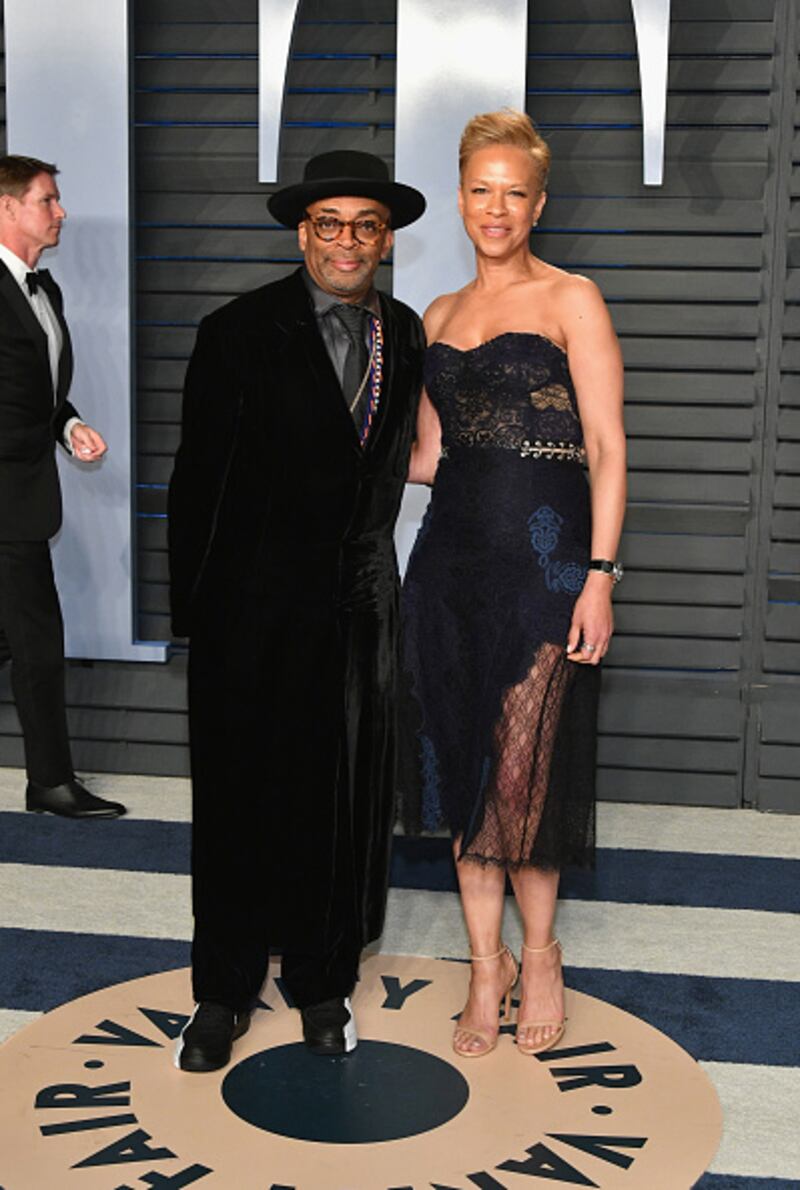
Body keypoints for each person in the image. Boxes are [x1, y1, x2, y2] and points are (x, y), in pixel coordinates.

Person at [168, 151, 426, 1072]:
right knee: (238, 802)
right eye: (329, 223)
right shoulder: (236, 331)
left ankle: (323, 983)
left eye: (365, 225)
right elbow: (197, 482)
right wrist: (199, 618)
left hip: (359, 610)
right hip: (250, 610)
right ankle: (222, 992)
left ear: (385, 239)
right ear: (301, 234)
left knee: (341, 804)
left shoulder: (405, 331)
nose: (347, 241)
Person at [401, 110, 626, 1058]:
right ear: (460, 198)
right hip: (447, 568)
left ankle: (540, 956)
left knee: (522, 768)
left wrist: (600, 576)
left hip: (546, 564)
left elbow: (607, 447)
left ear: (539, 204)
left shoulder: (573, 298)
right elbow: (424, 458)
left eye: (514, 193)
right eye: (480, 190)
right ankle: (484, 964)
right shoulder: (436, 317)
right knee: (461, 764)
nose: (495, 208)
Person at [0, 155, 124, 820]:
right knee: (37, 644)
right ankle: (49, 782)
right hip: (7, 503)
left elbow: (36, 395)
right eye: (46, 200)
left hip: (25, 495)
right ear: (7, 208)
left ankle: (47, 779)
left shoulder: (45, 290)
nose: (61, 212)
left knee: (24, 641)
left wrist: (68, 426)